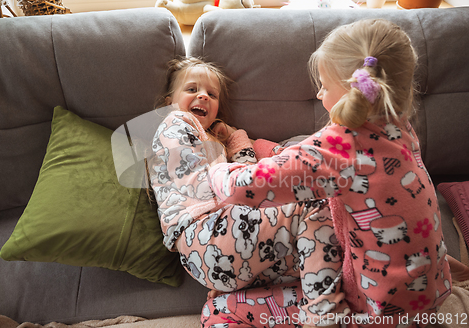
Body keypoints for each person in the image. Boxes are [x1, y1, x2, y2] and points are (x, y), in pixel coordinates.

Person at [207, 19, 452, 327]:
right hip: (428, 293)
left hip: (372, 309)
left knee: (218, 309)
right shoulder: (399, 125)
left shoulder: (340, 146)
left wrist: (214, 168)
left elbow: (239, 189)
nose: (320, 94)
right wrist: (269, 150)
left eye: (323, 85)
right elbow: (310, 161)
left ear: (353, 91)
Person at [148, 57, 317, 327]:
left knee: (306, 254)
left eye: (211, 94)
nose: (202, 95)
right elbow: (238, 186)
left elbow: (241, 182)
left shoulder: (211, 144)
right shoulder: (175, 121)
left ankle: (230, 307)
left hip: (210, 263)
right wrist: (237, 142)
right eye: (192, 89)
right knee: (312, 207)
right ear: (170, 100)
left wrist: (233, 141)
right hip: (207, 233)